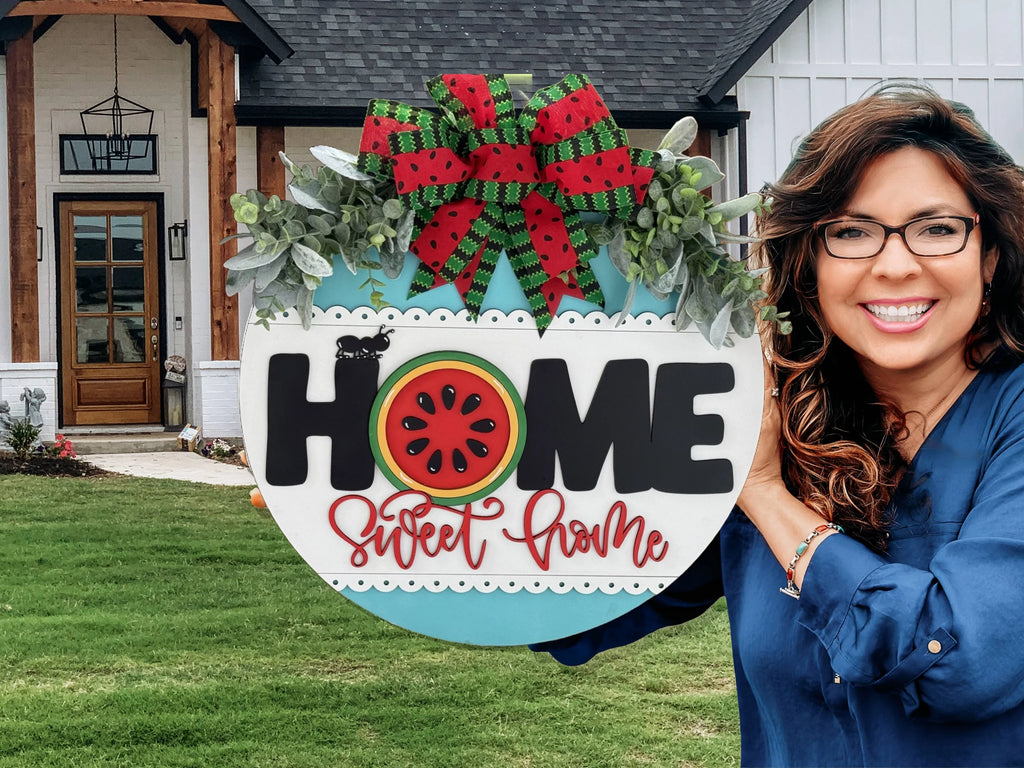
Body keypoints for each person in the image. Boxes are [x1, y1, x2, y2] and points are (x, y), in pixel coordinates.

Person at [533, 84, 1024, 767]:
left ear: (989, 255)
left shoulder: (1010, 422)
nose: (894, 264)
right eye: (850, 232)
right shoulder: (772, 417)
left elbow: (962, 661)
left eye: (936, 228)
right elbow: (582, 601)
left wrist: (765, 494)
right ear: (810, 265)